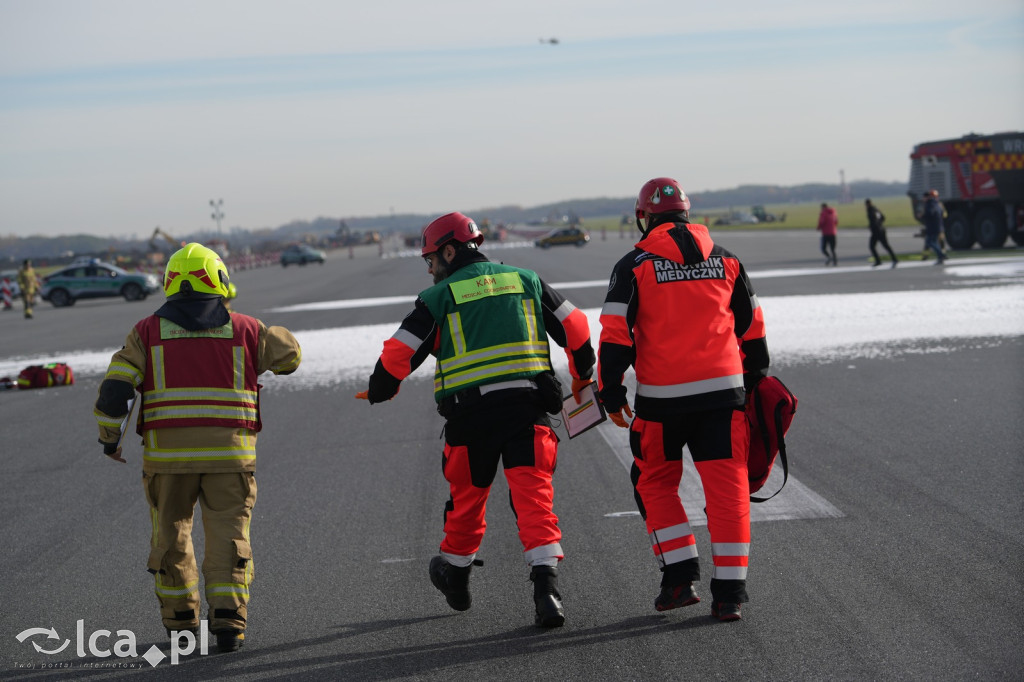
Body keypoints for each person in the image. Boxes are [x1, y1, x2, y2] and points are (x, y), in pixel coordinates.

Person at [356, 212, 595, 628]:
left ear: (449, 251)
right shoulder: (526, 280)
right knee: (534, 501)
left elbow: (398, 354)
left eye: (431, 258)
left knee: (466, 502)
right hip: (529, 409)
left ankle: (457, 576)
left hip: (471, 418)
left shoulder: (439, 297)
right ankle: (547, 592)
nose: (430, 268)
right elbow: (575, 325)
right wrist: (581, 377)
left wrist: (381, 389)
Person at [93, 243, 301, 653]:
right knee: (228, 533)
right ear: (220, 282)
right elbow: (290, 357)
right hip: (230, 459)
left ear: (170, 283)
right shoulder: (245, 329)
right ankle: (228, 622)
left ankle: (182, 625)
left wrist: (109, 439)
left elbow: (115, 391)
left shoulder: (146, 332)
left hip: (167, 463)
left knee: (171, 536)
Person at [598, 178, 770, 622]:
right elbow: (752, 326)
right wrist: (753, 378)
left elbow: (616, 334)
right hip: (723, 394)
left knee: (654, 482)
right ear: (687, 215)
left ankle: (679, 578)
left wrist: (611, 390)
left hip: (662, 400)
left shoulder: (633, 264)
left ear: (644, 217)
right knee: (728, 488)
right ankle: (730, 593)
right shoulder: (727, 258)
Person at [865, 199, 898, 268]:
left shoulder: (870, 210)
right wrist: (879, 224)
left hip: (876, 231)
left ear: (867, 205)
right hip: (882, 229)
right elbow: (883, 217)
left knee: (872, 246)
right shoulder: (876, 209)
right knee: (886, 245)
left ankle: (878, 261)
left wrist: (872, 226)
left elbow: (873, 220)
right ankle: (894, 259)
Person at [921, 190, 947, 264]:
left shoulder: (930, 204)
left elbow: (931, 213)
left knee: (931, 242)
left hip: (934, 227)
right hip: (938, 226)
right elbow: (942, 214)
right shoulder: (937, 204)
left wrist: (923, 216)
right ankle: (939, 256)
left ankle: (941, 255)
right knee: (934, 242)